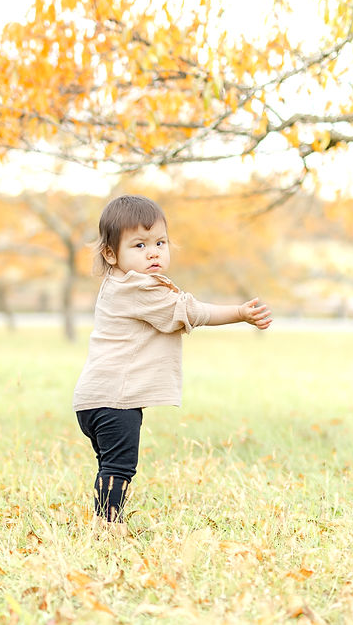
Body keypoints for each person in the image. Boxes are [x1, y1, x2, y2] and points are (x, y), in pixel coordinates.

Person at [73, 194, 272, 526]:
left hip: (95, 398)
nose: (153, 252)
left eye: (160, 242)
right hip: (115, 401)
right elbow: (191, 311)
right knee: (119, 468)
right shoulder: (139, 289)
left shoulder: (117, 283)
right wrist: (239, 313)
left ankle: (105, 521)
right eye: (139, 245)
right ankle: (107, 526)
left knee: (111, 466)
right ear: (111, 253)